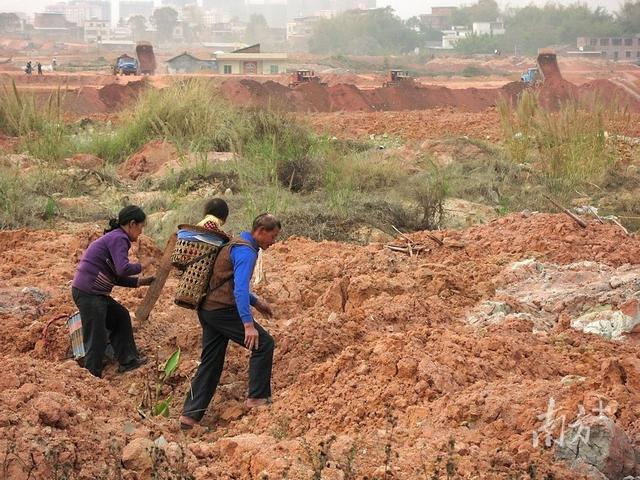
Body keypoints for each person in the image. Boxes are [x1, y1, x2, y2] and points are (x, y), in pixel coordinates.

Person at [179, 213, 281, 429]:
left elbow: (230, 283)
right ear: (260, 231)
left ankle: (189, 417)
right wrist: (247, 324)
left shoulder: (236, 243)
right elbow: (240, 289)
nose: (273, 242)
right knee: (263, 344)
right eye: (272, 236)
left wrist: (257, 303)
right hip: (222, 311)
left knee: (211, 363)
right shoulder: (246, 252)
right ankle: (257, 398)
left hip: (208, 309)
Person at [71, 205, 154, 378]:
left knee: (121, 316)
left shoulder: (115, 237)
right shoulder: (119, 238)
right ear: (132, 224)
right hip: (89, 293)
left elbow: (116, 276)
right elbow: (123, 269)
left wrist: (140, 282)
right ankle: (92, 376)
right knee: (97, 335)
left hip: (92, 293)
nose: (140, 233)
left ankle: (128, 361)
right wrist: (142, 265)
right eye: (141, 227)